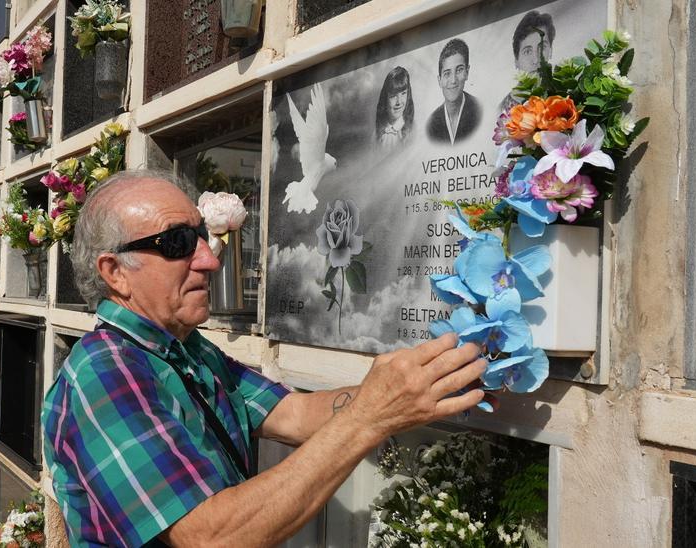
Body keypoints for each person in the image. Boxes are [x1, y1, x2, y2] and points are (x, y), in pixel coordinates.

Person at [41, 170, 487, 547]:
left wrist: (424, 381)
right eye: (178, 242)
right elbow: (210, 537)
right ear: (114, 272)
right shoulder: (104, 374)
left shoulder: (183, 349)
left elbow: (293, 414)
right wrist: (371, 417)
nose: (209, 260)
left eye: (201, 236)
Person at [426, 38, 481, 145]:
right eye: (447, 73)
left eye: (459, 70)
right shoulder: (432, 122)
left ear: (467, 72)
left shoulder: (479, 111)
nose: (453, 80)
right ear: (439, 80)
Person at [500, 11, 557, 113]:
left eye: (542, 47)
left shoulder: (563, 95)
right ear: (516, 60)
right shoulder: (503, 111)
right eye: (527, 51)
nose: (536, 60)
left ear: (551, 50)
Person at [375, 66, 414, 150]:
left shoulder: (412, 132)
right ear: (385, 98)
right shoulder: (376, 133)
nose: (399, 102)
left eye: (403, 93)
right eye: (393, 96)